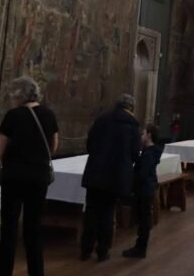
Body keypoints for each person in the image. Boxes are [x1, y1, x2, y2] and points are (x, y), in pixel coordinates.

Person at [0, 75, 59, 276]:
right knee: (34, 227)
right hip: (38, 176)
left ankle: (4, 271)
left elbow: (0, 151)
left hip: (13, 176)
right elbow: (53, 146)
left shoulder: (13, 115)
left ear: (18, 95)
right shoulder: (48, 114)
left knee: (9, 227)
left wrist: (6, 164)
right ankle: (36, 272)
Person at [80, 94, 141, 262]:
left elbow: (89, 144)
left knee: (91, 211)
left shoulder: (102, 119)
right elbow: (135, 153)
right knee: (107, 213)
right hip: (116, 175)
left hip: (95, 172)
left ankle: (85, 250)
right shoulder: (132, 125)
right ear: (131, 108)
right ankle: (102, 251)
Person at [122, 124, 164, 260]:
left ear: (149, 135)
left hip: (144, 190)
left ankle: (140, 248)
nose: (141, 136)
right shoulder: (149, 152)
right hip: (146, 189)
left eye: (143, 133)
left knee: (143, 220)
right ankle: (139, 247)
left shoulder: (149, 154)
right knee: (143, 219)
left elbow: (143, 174)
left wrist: (132, 183)